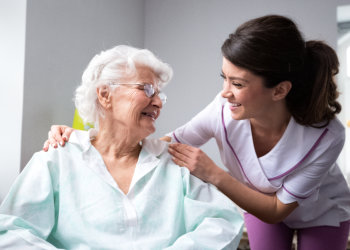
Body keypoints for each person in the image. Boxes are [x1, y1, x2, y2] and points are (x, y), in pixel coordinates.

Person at [44, 15, 350, 250]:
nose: (225, 93)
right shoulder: (222, 109)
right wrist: (89, 139)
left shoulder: (326, 136)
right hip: (258, 204)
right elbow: (167, 145)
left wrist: (213, 173)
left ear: (279, 90)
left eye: (238, 84)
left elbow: (276, 210)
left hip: (320, 212)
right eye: (224, 78)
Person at [0, 45, 244, 249]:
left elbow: (224, 222)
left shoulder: (173, 163)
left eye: (160, 94)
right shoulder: (56, 160)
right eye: (146, 89)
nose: (158, 102)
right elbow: (11, 232)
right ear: (105, 95)